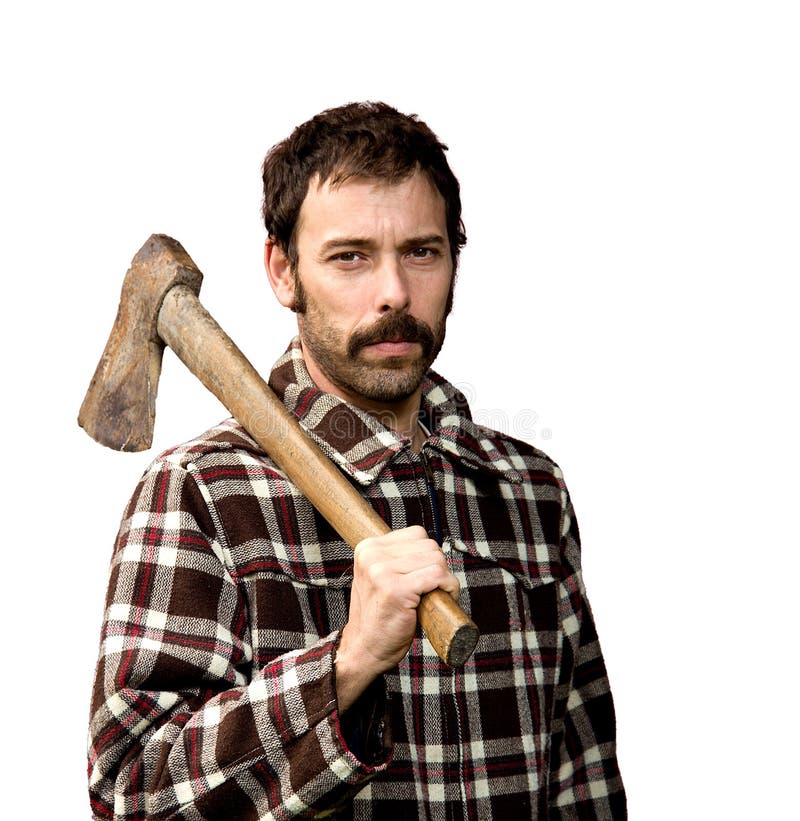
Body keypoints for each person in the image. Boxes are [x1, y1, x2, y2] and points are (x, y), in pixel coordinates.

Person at [87, 101, 626, 820]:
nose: (395, 292)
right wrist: (343, 667)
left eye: (422, 251)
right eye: (351, 257)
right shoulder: (200, 494)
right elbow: (131, 794)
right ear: (283, 271)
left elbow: (583, 782)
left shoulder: (528, 492)